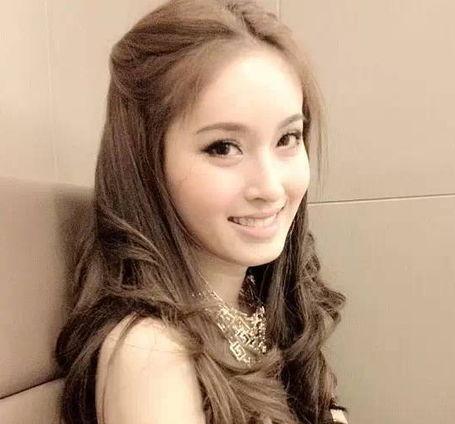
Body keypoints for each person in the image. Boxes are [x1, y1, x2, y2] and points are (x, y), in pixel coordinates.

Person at [54, 0, 349, 423]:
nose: (270, 187)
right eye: (223, 148)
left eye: (287, 138)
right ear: (147, 163)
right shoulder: (151, 353)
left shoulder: (260, 301)